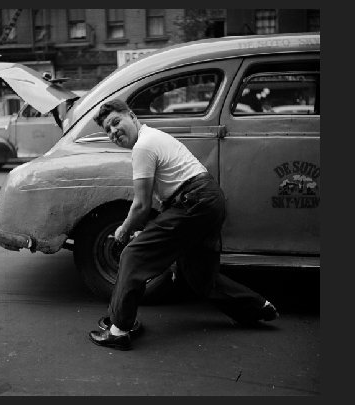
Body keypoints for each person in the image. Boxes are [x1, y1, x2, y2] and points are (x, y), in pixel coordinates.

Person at [88, 99, 279, 351]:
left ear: (132, 116)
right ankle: (257, 307)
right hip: (205, 200)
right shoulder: (152, 138)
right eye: (107, 130)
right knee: (198, 275)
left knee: (133, 254)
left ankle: (121, 328)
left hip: (194, 201)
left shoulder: (143, 146)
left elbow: (141, 206)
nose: (113, 132)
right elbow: (161, 203)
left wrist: (124, 230)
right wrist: (147, 229)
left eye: (116, 122)